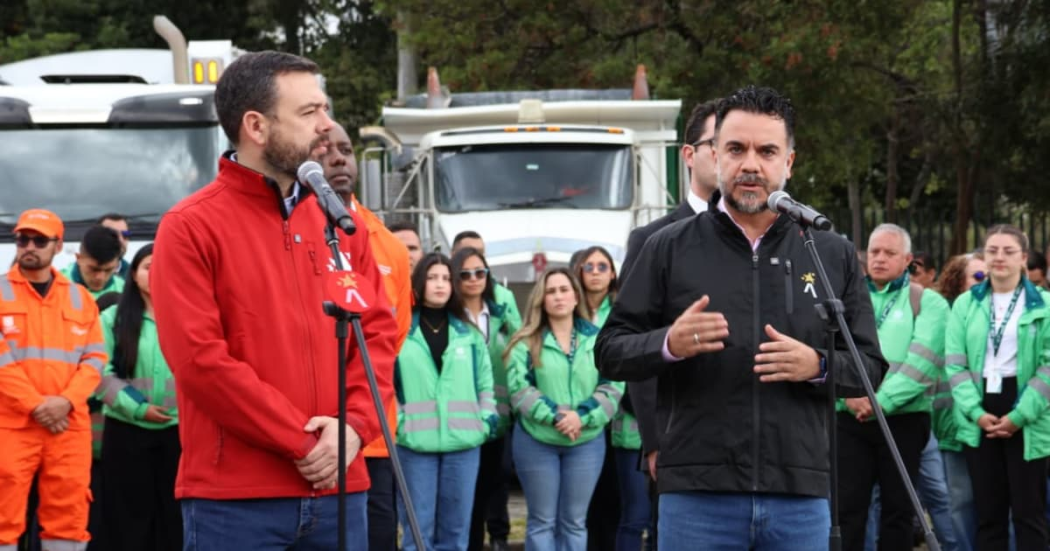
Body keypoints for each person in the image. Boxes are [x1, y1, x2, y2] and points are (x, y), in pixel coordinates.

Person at [595, 86, 886, 550]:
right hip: (696, 494)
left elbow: (870, 368)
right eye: (736, 149)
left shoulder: (829, 252)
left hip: (799, 492)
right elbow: (610, 351)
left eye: (766, 151)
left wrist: (818, 365)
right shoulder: (667, 247)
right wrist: (668, 343)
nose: (751, 164)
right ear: (714, 156)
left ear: (789, 162)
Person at [150, 51, 397, 551]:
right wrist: (302, 444)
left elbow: (378, 334)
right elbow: (200, 361)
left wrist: (354, 428)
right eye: (309, 112)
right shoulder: (190, 227)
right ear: (256, 127)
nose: (326, 125)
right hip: (237, 500)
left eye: (324, 109)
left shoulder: (340, 221)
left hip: (340, 490)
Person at [318, 122, 413, 551]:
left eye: (345, 149)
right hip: (311, 434)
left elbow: (393, 334)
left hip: (371, 436)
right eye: (324, 150)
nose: (338, 158)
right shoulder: (291, 232)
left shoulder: (389, 245)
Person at [837, 224, 952, 551]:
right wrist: (848, 396)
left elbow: (922, 364)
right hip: (850, 418)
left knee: (898, 511)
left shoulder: (928, 302)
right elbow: (832, 347)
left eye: (890, 253)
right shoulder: (846, 299)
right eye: (874, 251)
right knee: (846, 510)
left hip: (903, 419)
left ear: (907, 260)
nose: (880, 258)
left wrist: (877, 401)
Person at [0, 208, 106, 551]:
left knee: (68, 521)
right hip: (12, 425)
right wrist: (37, 406)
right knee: (2, 518)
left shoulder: (80, 298)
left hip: (67, 426)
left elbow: (95, 359)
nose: (29, 246)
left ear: (58, 246)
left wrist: (66, 402)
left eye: (39, 240)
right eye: (23, 239)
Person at [946, 225, 1050, 550]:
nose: (999, 257)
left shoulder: (1044, 304)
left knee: (1029, 514)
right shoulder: (965, 304)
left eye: (1008, 251)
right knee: (988, 515)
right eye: (992, 251)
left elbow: (1048, 365)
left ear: (1023, 258)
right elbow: (955, 363)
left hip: (1028, 412)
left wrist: (1021, 415)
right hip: (980, 410)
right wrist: (975, 412)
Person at [507, 268, 624, 551]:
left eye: (564, 290)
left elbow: (613, 385)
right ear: (541, 299)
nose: (558, 296)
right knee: (542, 521)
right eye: (551, 291)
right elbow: (519, 390)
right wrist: (557, 417)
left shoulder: (598, 339)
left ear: (576, 297)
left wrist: (581, 417)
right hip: (536, 441)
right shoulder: (525, 342)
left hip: (586, 442)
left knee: (574, 522)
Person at [394, 252, 498, 551]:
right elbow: (387, 384)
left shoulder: (470, 334)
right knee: (417, 534)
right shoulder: (401, 332)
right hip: (414, 446)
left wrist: (484, 422)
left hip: (464, 445)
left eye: (445, 278)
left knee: (455, 535)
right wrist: (399, 425)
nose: (439, 284)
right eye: (431, 277)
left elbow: (486, 385)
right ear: (419, 283)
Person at [96, 244, 181, 551]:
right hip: (126, 432)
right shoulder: (112, 319)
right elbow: (99, 372)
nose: (155, 272)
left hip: (180, 432)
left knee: (174, 519)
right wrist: (138, 408)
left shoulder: (191, 316)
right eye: (148, 266)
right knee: (127, 521)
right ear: (133, 274)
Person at [450, 230, 521, 546]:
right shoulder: (449, 313)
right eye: (466, 273)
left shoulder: (502, 304)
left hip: (499, 413)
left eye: (480, 271)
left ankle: (499, 536)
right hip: (463, 416)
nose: (474, 278)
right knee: (470, 492)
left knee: (498, 477)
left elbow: (520, 346)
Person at [933, 252, 986, 551]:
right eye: (978, 276)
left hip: (991, 421)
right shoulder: (945, 315)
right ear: (958, 281)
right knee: (960, 501)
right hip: (952, 425)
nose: (985, 281)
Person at [62, 225, 125, 299]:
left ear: (117, 263)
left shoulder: (125, 291)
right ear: (79, 258)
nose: (100, 277)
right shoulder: (55, 286)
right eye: (94, 269)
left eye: (108, 270)